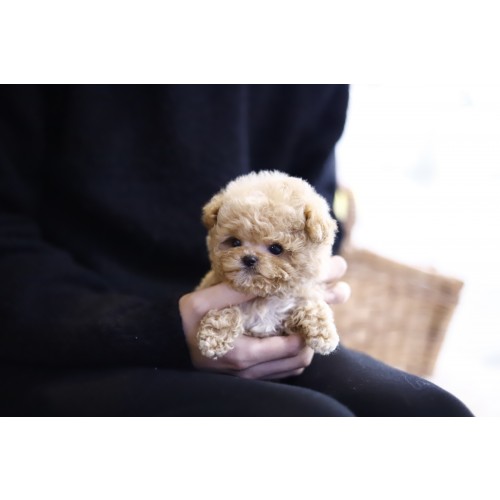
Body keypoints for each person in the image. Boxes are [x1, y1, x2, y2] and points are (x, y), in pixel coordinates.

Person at [0, 84, 473, 416]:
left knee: (432, 414)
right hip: (65, 334)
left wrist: (312, 280)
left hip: (265, 321)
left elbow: (317, 202)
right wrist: (161, 330)